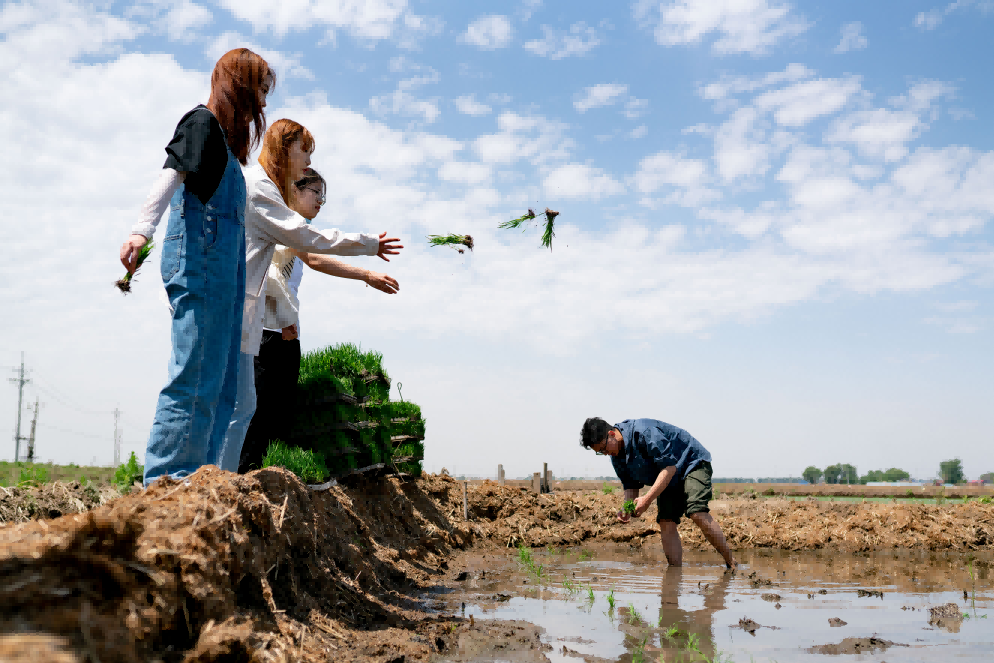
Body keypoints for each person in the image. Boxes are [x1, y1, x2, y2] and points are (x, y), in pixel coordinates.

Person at [118, 48, 273, 486]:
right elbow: (172, 172)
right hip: (201, 264)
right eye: (260, 89)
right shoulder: (201, 123)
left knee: (222, 386)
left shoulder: (228, 151)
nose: (263, 101)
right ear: (239, 85)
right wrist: (141, 230)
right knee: (195, 377)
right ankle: (165, 486)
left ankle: (200, 483)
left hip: (225, 274)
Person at [216, 119, 403, 472]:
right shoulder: (268, 203)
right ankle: (237, 479)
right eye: (315, 191)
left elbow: (313, 257)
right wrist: (368, 247)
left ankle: (249, 479)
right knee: (252, 413)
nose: (320, 200)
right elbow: (278, 271)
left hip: (276, 328)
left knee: (266, 414)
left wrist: (365, 275)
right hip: (266, 329)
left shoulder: (282, 220)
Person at [580, 417, 737, 569]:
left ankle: (731, 562)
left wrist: (647, 499)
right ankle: (674, 575)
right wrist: (626, 507)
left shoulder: (645, 432)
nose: (605, 453)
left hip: (691, 463)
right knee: (666, 521)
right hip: (668, 476)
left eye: (604, 448)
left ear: (611, 434)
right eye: (600, 452)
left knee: (696, 512)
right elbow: (630, 486)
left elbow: (670, 467)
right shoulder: (616, 457)